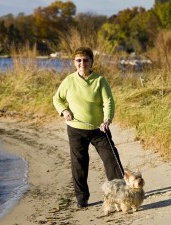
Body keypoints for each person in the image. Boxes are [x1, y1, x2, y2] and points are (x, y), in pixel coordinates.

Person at [53, 47, 124, 208]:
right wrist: (64, 111)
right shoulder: (69, 80)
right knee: (79, 163)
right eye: (78, 60)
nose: (82, 63)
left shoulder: (100, 80)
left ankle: (120, 193)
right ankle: (81, 198)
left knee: (111, 160)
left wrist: (107, 119)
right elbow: (57, 99)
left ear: (92, 62)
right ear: (74, 62)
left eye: (86, 60)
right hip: (76, 129)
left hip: (99, 130)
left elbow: (108, 102)